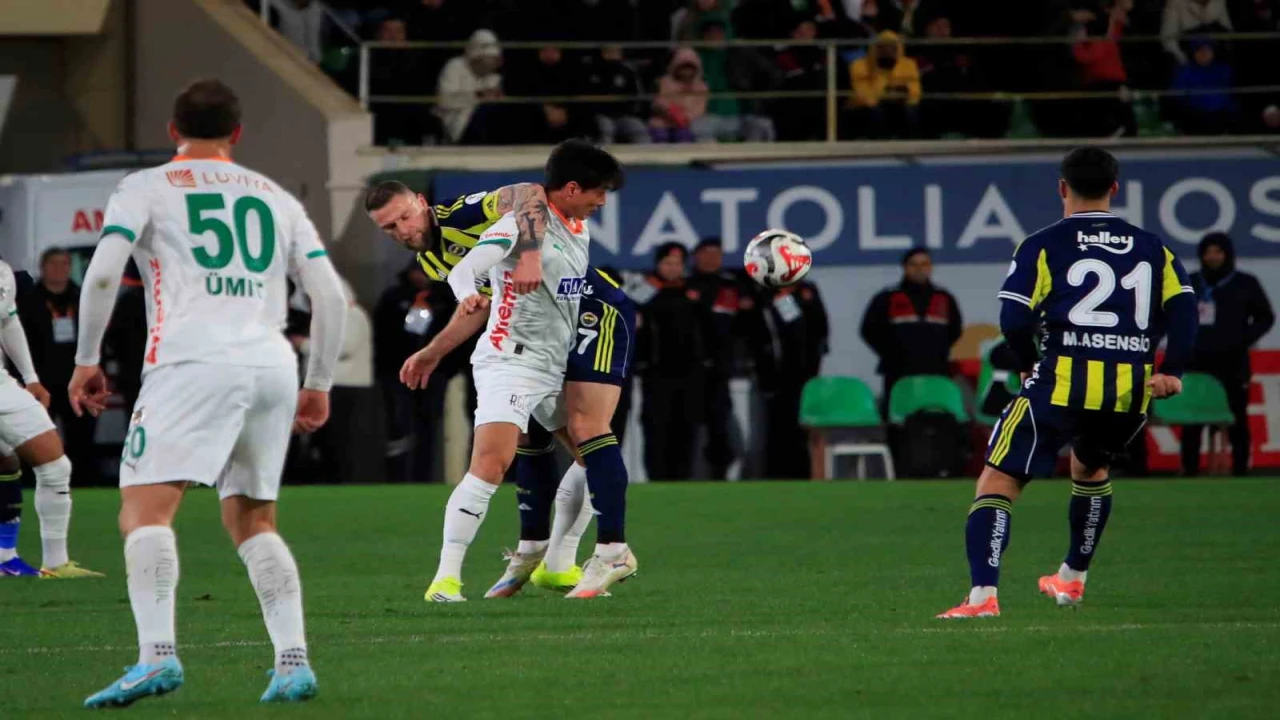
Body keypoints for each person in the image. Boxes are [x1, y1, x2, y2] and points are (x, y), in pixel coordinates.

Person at [71, 79, 347, 706]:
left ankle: (155, 657)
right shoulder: (276, 196)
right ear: (237, 134)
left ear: (173, 130)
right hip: (272, 364)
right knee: (252, 518)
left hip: (191, 359)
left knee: (144, 511)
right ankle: (293, 662)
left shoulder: (145, 186)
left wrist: (86, 359)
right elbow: (329, 297)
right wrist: (319, 383)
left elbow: (105, 272)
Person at [936, 147, 1198, 619]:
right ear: (1114, 188)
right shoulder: (1151, 248)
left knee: (997, 480)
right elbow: (1184, 311)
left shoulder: (1042, 244)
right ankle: (1072, 579)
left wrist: (1026, 363)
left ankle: (982, 598)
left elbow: (1014, 318)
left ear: (1062, 188)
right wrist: (1171, 371)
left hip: (1059, 384)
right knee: (1091, 470)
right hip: (1126, 393)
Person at [397, 140, 633, 601]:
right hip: (510, 362)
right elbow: (466, 268)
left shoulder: (576, 224)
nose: (602, 201)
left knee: (593, 454)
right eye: (598, 192)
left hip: (553, 362)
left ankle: (556, 562)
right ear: (571, 188)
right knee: (491, 464)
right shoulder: (520, 226)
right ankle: (445, 579)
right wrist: (467, 293)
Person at [0, 258, 101, 579]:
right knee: (11, 464)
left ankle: (33, 561)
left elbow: (8, 320)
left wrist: (31, 378)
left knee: (42, 465)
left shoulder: (3, 273)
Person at [1180, 232, 1274, 476]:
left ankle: (1241, 469)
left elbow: (1266, 317)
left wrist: (1242, 339)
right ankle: (1189, 470)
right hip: (1196, 363)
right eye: (1207, 252)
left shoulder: (1245, 283)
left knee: (1236, 418)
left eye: (1218, 252)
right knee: (1192, 420)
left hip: (1233, 364)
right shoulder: (1190, 283)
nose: (1212, 257)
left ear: (1228, 254)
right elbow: (1174, 314)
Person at [20, 248, 98, 486]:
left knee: (81, 433)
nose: (59, 269)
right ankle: (34, 482)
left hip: (76, 378)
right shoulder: (29, 301)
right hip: (41, 379)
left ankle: (83, 481)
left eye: (64, 264)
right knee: (37, 434)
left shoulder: (82, 297)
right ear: (42, 268)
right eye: (53, 264)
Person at [860, 248, 962, 419]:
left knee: (936, 417)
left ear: (931, 268)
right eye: (913, 264)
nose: (919, 269)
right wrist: (891, 353)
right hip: (898, 371)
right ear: (905, 268)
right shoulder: (887, 297)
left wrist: (936, 351)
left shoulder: (945, 298)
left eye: (924, 264)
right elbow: (868, 330)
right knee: (897, 419)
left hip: (936, 370)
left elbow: (955, 330)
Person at [637, 242, 707, 481]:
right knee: (656, 428)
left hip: (690, 374)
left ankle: (683, 478)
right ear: (658, 264)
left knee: (686, 427)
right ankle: (657, 477)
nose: (672, 268)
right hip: (656, 373)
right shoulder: (644, 291)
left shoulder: (693, 291)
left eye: (677, 264)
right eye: (667, 263)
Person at [686, 238, 744, 479]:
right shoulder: (685, 285)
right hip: (688, 369)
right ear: (696, 256)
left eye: (716, 254)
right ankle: (682, 476)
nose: (712, 259)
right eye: (707, 254)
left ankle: (719, 474)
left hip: (720, 369)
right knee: (686, 425)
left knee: (720, 424)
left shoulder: (733, 284)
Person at [845, 30, 921, 139]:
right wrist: (880, 72)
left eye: (892, 48)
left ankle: (910, 145)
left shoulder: (909, 64)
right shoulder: (858, 65)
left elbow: (914, 91)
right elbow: (862, 93)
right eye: (882, 48)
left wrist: (902, 95)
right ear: (874, 49)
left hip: (900, 104)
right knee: (877, 112)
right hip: (867, 106)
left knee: (910, 112)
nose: (887, 51)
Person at [434, 29, 504, 144]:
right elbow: (444, 101)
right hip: (455, 126)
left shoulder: (494, 77)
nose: (490, 65)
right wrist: (478, 95)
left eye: (494, 61)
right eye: (487, 60)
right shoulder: (454, 67)